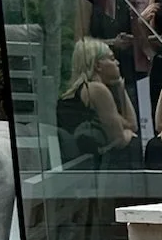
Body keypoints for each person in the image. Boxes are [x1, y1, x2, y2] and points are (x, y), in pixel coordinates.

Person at [57, 38, 140, 171]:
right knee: (134, 145)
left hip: (74, 163)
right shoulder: (96, 89)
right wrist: (128, 133)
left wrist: (120, 86)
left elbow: (131, 125)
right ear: (98, 65)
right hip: (89, 166)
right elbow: (119, 140)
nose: (117, 63)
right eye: (112, 59)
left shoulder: (83, 89)